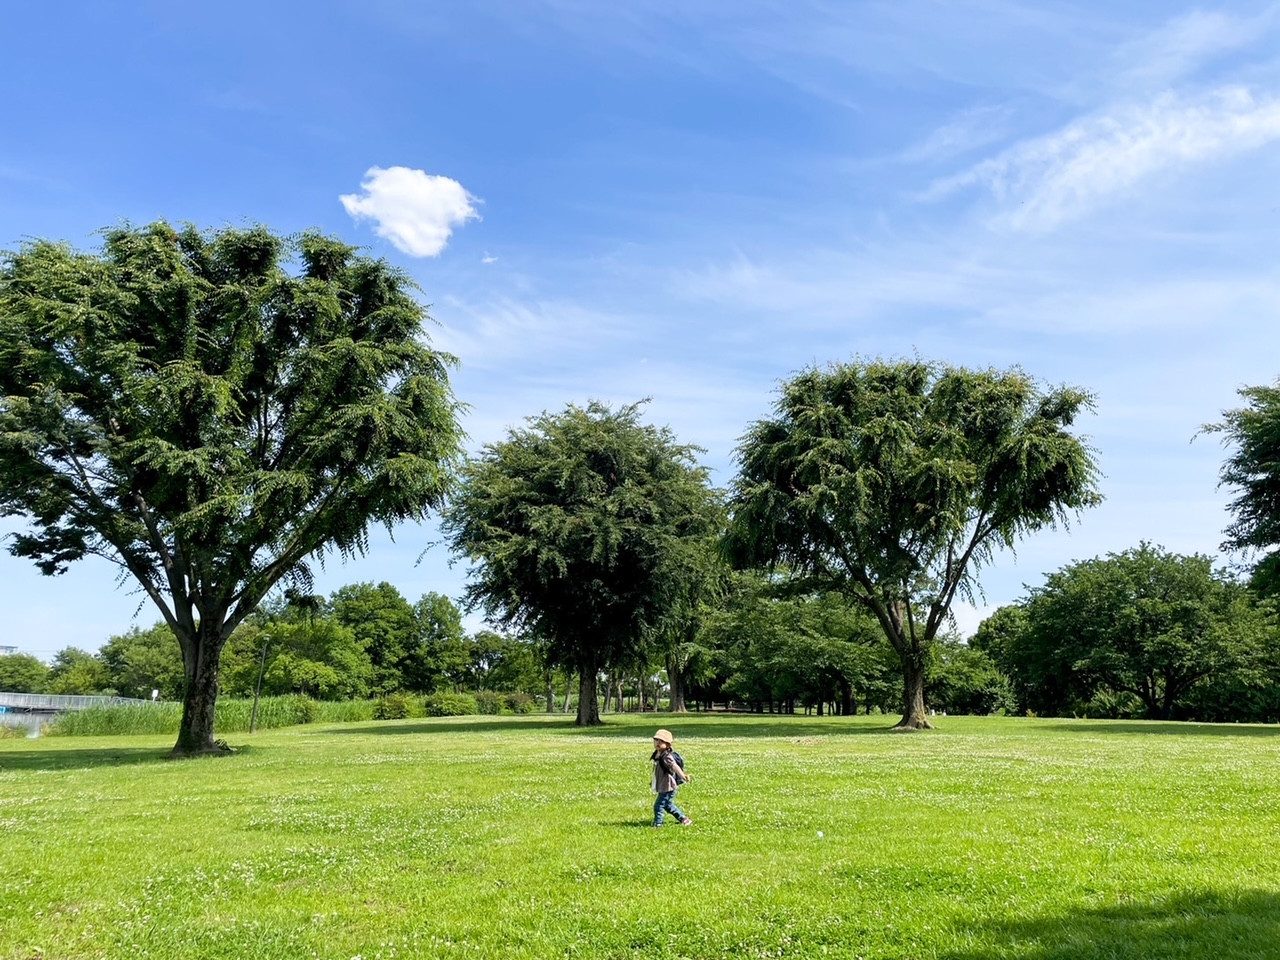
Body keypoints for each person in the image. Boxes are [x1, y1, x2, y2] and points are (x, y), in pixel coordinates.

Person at [650, 728, 692, 827]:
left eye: (661, 741)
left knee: (658, 805)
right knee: (668, 805)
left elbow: (674, 766)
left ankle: (658, 823)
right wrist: (653, 781)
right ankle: (683, 819)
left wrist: (683, 776)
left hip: (668, 786)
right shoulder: (657, 754)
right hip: (662, 785)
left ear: (668, 745)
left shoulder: (666, 756)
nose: (658, 743)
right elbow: (656, 770)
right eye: (656, 740)